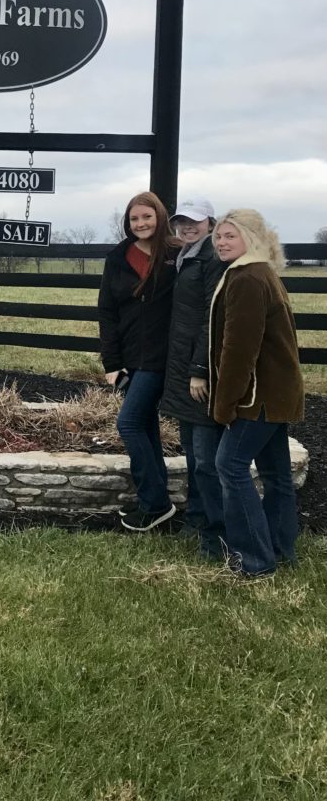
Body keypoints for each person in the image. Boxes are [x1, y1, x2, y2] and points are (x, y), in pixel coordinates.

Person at [209, 209, 304, 577]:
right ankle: (280, 549)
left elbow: (239, 350)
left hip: (257, 396)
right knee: (275, 473)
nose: (221, 242)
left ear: (251, 238)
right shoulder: (261, 271)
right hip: (278, 392)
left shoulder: (248, 278)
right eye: (219, 236)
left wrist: (225, 405)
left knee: (229, 466)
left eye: (230, 236)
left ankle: (254, 561)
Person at [98, 191, 179, 531]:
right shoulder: (118, 257)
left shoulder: (177, 254)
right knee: (145, 426)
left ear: (159, 217)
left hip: (165, 357)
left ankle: (155, 504)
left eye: (146, 216)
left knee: (128, 424)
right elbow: (107, 311)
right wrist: (112, 363)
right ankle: (159, 502)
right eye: (134, 218)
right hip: (130, 357)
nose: (141, 223)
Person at [160, 198, 227, 558]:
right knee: (192, 453)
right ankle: (199, 519)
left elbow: (212, 318)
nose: (187, 227)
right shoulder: (187, 257)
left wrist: (199, 369)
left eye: (194, 222)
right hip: (182, 368)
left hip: (199, 374)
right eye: (181, 222)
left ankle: (216, 536)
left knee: (205, 459)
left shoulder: (212, 258)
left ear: (210, 223)